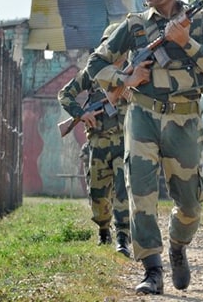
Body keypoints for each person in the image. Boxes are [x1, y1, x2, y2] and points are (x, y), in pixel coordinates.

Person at [85, 0, 203, 294]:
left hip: (185, 118)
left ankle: (178, 246)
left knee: (190, 203)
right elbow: (95, 63)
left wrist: (186, 43)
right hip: (143, 116)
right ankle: (152, 269)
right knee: (141, 193)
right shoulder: (134, 25)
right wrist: (127, 76)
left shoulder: (202, 22)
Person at [57, 23, 131, 257]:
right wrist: (82, 114)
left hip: (123, 142)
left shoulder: (133, 71)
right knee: (98, 194)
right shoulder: (92, 73)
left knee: (123, 190)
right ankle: (103, 231)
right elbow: (65, 94)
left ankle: (122, 237)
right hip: (98, 144)